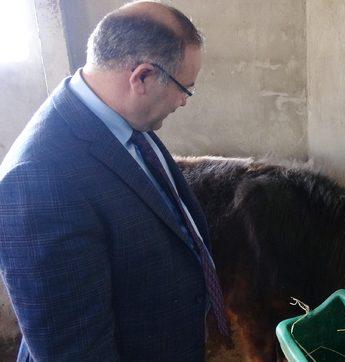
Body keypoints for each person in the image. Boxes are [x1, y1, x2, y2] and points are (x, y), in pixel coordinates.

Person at [0, 1, 227, 360]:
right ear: (143, 77)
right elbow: (75, 351)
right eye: (185, 88)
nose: (184, 102)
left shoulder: (126, 122)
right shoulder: (39, 180)